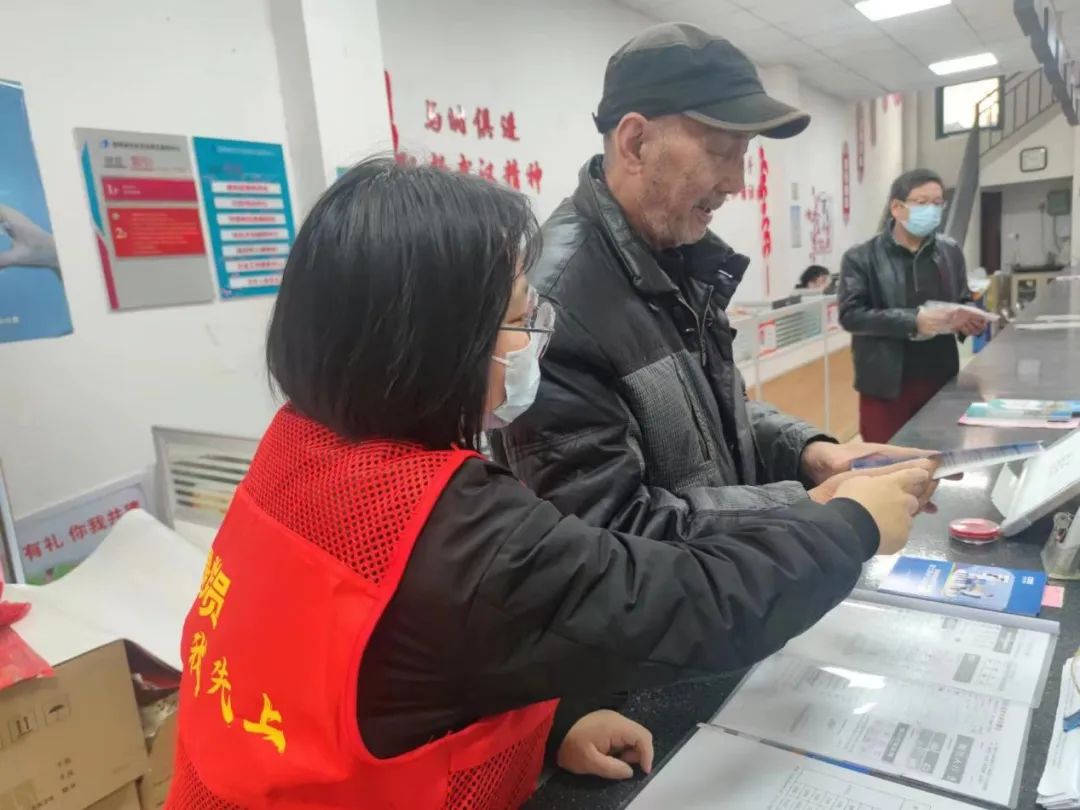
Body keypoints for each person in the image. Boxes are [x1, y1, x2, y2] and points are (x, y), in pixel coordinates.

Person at [167, 157, 930, 809]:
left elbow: (388, 668)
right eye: (518, 321)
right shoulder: (454, 530)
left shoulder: (300, 448)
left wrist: (550, 723)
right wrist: (849, 525)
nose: (535, 343)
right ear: (430, 344)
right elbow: (678, 601)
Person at [495, 22, 932, 541]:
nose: (737, 182)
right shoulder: (554, 306)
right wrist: (812, 507)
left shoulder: (677, 255)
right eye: (722, 151)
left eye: (744, 154)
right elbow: (609, 535)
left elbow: (713, 417)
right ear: (636, 143)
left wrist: (810, 453)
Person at [838, 169, 985, 443]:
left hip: (940, 378)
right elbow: (851, 315)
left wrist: (968, 320)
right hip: (885, 385)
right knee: (887, 460)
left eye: (937, 203)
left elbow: (962, 298)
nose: (931, 210)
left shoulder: (950, 251)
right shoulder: (862, 257)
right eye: (922, 202)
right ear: (897, 207)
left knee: (942, 457)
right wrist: (913, 321)